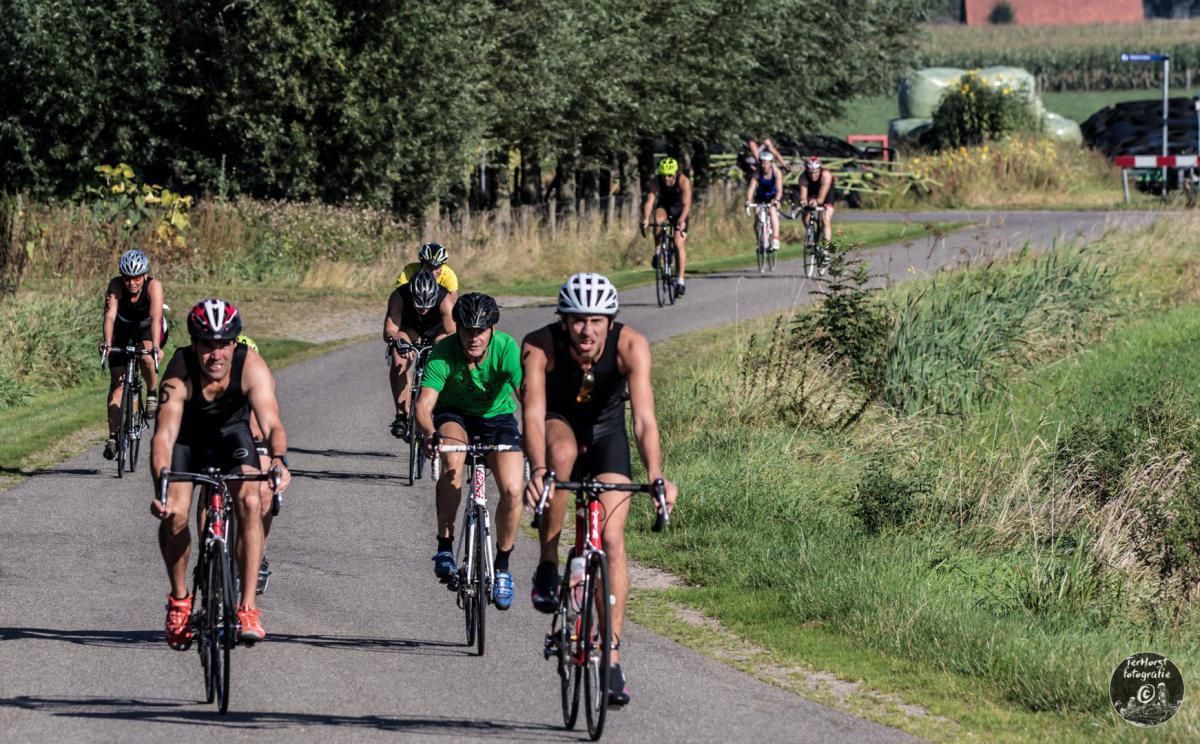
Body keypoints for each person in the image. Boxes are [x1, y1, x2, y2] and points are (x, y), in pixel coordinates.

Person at [521, 272, 677, 706]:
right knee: (564, 457)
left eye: (596, 321)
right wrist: (537, 469)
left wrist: (658, 472)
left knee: (611, 539)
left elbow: (644, 419)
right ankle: (549, 562)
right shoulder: (538, 345)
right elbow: (532, 414)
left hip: (609, 436)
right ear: (563, 321)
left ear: (611, 322)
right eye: (576, 321)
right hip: (558, 426)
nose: (586, 331)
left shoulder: (632, 347)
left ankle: (610, 657)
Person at [150, 298, 291, 647]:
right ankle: (181, 602)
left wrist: (276, 460)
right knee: (176, 515)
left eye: (224, 344)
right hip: (188, 441)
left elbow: (272, 424)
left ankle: (248, 607)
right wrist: (161, 486)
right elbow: (164, 436)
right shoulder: (179, 370)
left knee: (250, 498)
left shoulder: (251, 366)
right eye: (207, 345)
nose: (216, 354)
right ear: (194, 344)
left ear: (235, 343)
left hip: (232, 436)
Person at [414, 293, 524, 610]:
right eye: (466, 330)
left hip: (497, 418)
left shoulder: (506, 348)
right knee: (451, 463)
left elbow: (527, 395)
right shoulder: (444, 351)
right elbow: (424, 405)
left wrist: (532, 433)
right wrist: (430, 434)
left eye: (480, 330)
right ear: (458, 328)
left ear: (492, 330)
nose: (473, 337)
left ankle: (502, 567)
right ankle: (445, 545)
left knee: (513, 490)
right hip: (455, 416)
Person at [100, 249, 167, 459]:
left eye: (136, 278)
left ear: (144, 275)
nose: (132, 283)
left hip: (147, 327)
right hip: (122, 329)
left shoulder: (153, 286)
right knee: (117, 385)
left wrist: (155, 347)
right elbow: (110, 316)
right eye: (127, 278)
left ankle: (153, 392)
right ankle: (113, 437)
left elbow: (156, 318)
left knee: (146, 357)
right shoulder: (115, 286)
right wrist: (108, 343)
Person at [384, 269, 456, 440]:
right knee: (398, 360)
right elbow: (390, 330)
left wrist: (441, 349)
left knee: (446, 352)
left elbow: (453, 333)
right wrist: (397, 341)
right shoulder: (399, 296)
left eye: (427, 305)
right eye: (418, 305)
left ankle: (443, 408)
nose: (423, 309)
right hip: (410, 330)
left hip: (437, 332)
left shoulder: (444, 299)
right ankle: (401, 416)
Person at [640, 157, 692, 297]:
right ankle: (657, 251)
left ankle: (680, 281)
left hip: (680, 211)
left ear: (675, 173)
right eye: (664, 175)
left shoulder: (683, 181)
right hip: (665, 207)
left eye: (670, 175)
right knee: (657, 219)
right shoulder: (656, 181)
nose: (667, 179)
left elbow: (687, 204)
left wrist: (681, 220)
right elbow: (649, 202)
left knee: (678, 243)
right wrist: (645, 219)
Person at [744, 151, 784, 252]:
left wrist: (777, 200)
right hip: (760, 197)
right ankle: (759, 241)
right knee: (757, 217)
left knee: (772, 212)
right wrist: (748, 200)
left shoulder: (776, 172)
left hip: (773, 197)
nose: (763, 165)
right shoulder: (757, 173)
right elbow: (751, 188)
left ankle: (775, 239)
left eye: (766, 163)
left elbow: (779, 189)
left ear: (771, 163)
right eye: (762, 163)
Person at [394, 241, 459, 294]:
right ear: (422, 264)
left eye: (437, 267)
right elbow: (399, 294)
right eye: (429, 266)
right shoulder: (410, 270)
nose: (433, 272)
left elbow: (453, 301)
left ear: (442, 265)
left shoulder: (449, 275)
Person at [798, 156, 836, 247]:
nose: (813, 175)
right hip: (811, 192)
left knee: (825, 219)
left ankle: (826, 248)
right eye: (810, 172)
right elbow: (803, 196)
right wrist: (804, 202)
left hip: (826, 194)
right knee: (805, 213)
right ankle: (810, 231)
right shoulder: (803, 177)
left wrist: (816, 203)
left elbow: (821, 199)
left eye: (815, 172)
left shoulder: (826, 175)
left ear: (820, 170)